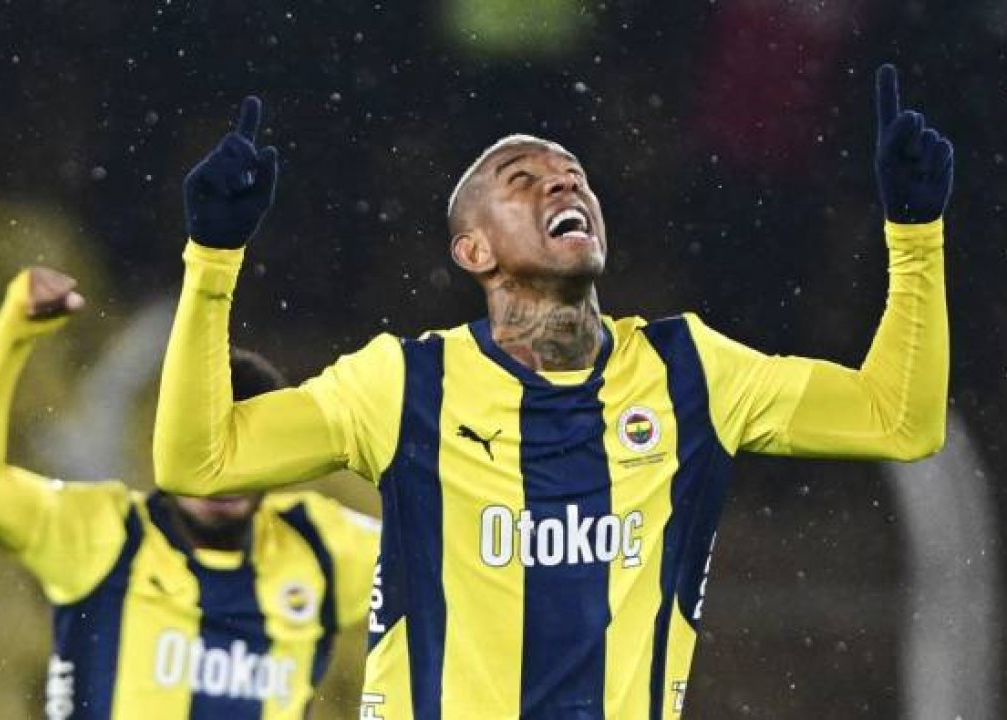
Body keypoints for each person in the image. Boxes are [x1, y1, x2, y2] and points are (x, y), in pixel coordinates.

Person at [153, 63, 951, 718]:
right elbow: (200, 462)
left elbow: (899, 421)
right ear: (474, 250)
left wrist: (915, 236)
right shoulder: (404, 384)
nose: (563, 188)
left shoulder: (693, 372)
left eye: (575, 179)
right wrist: (213, 259)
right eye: (524, 180)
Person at [0, 266, 380, 720]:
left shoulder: (322, 545)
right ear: (165, 448)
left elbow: (428, 551)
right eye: (201, 454)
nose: (220, 479)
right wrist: (11, 335)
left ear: (277, 461)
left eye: (239, 457)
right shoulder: (103, 535)